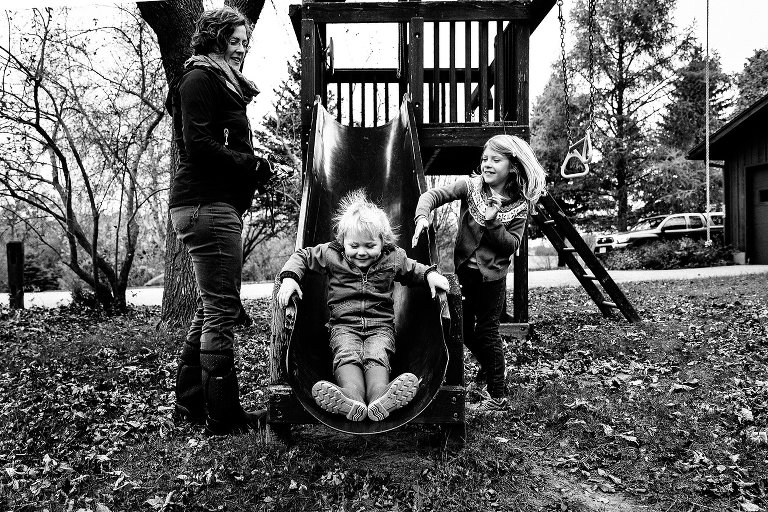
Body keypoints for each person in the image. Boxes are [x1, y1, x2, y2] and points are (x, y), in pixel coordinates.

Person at [166, 6, 274, 435]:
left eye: (245, 43)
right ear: (214, 38)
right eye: (235, 41)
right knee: (222, 311)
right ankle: (223, 416)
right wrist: (251, 165)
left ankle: (190, 405)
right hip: (205, 206)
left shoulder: (221, 82)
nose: (241, 49)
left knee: (210, 308)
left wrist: (253, 168)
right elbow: (199, 146)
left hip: (212, 206)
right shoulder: (198, 79)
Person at [276, 190, 451, 422]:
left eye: (370, 245)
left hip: (381, 327)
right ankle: (352, 397)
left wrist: (430, 275)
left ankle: (381, 396)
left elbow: (413, 269)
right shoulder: (331, 255)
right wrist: (290, 277)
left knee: (377, 356)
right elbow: (303, 256)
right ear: (343, 242)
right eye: (354, 245)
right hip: (343, 326)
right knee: (347, 356)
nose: (361, 252)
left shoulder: (393, 258)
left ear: (383, 242)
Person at [411, 135, 546, 414]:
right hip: (466, 275)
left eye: (496, 160)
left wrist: (494, 222)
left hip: (492, 280)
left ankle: (498, 394)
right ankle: (490, 368)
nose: (487, 164)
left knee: (487, 332)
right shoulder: (471, 187)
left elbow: (512, 245)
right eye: (485, 158)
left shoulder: (519, 205)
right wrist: (423, 216)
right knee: (463, 330)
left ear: (513, 166)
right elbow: (433, 195)